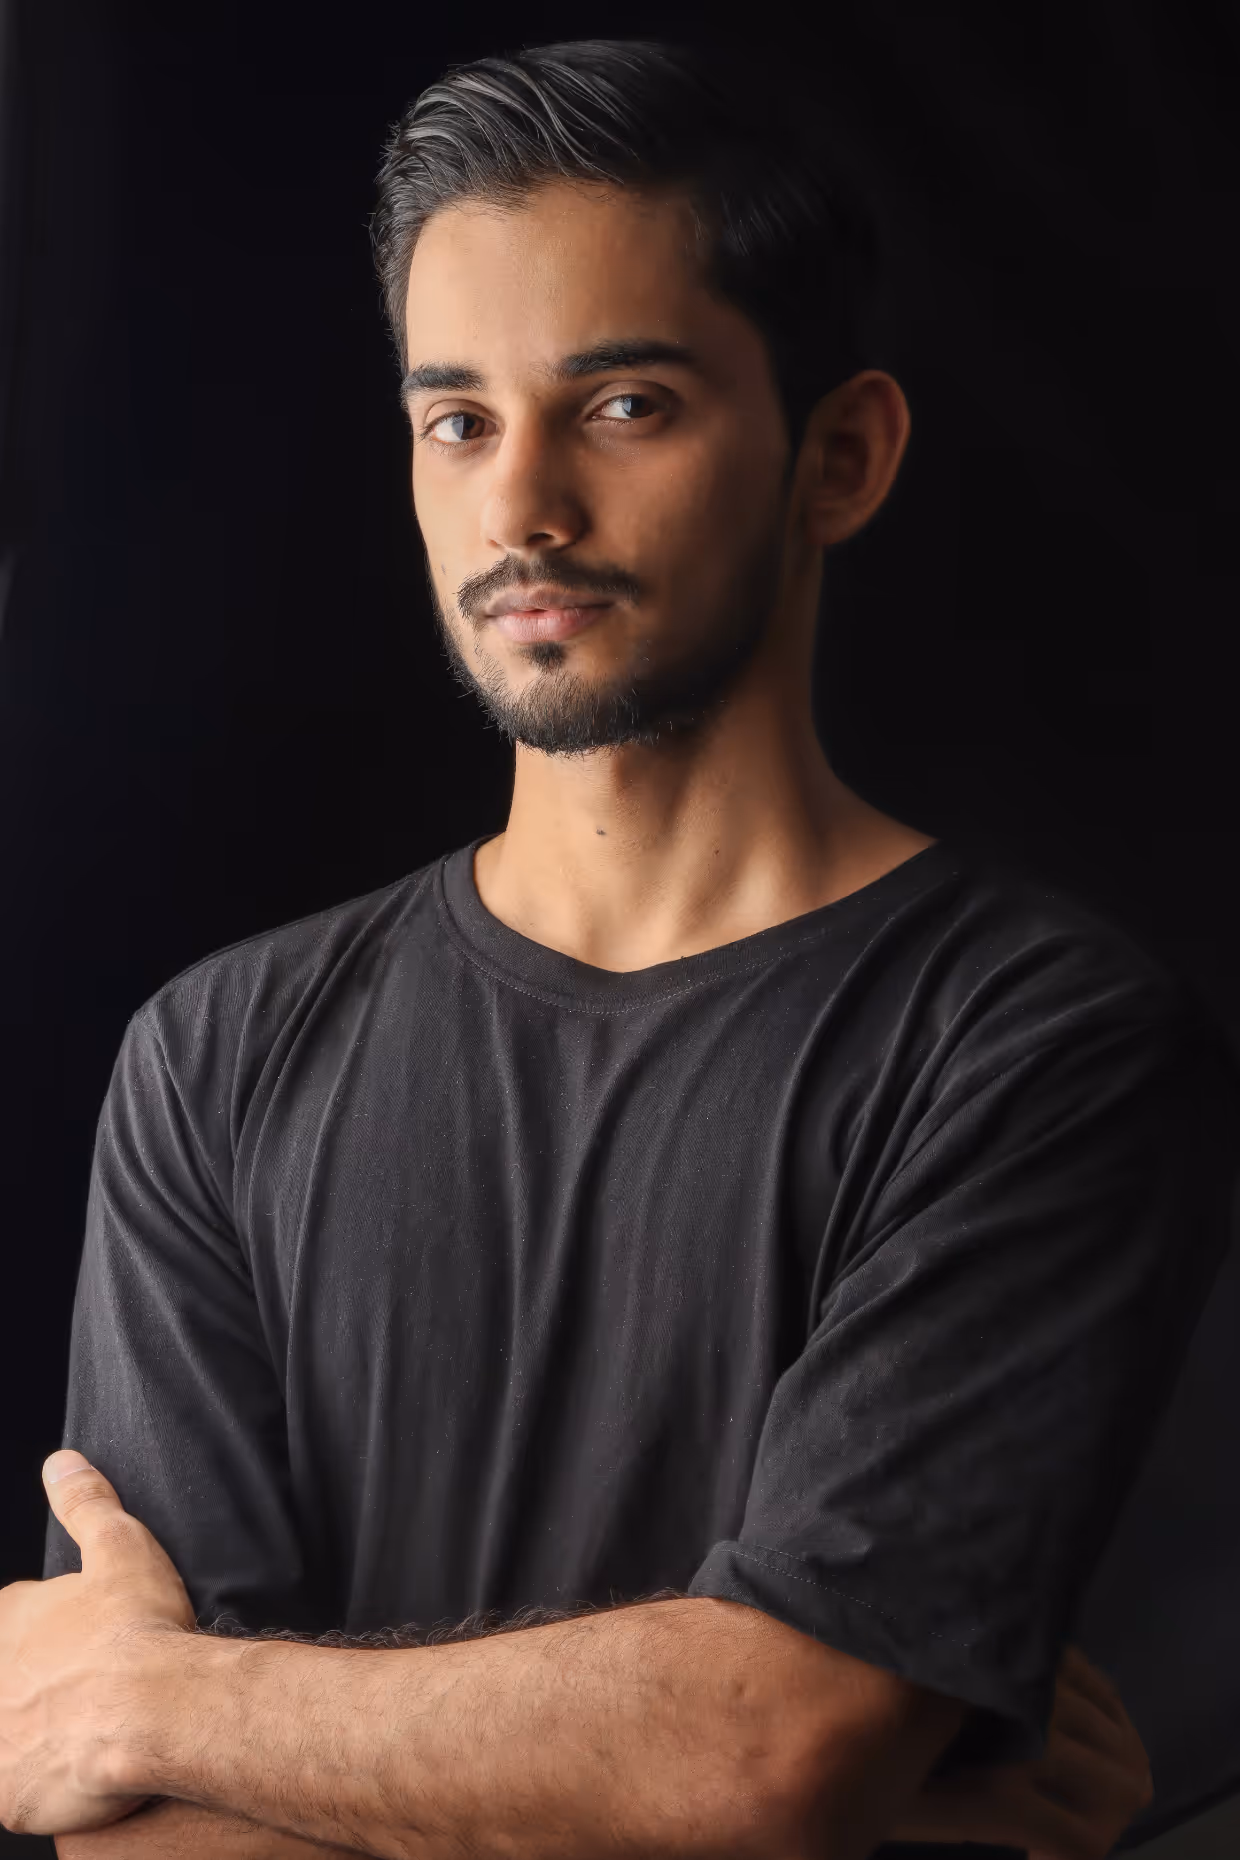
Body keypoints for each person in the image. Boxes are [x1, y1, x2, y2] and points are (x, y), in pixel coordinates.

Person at [1, 36, 1235, 1860]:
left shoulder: (1034, 1041)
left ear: (843, 455)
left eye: (627, 404)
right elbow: (147, 1840)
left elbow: (763, 1755)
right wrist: (816, 1790)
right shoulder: (218, 1053)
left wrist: (157, 1693)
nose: (521, 511)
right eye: (458, 420)